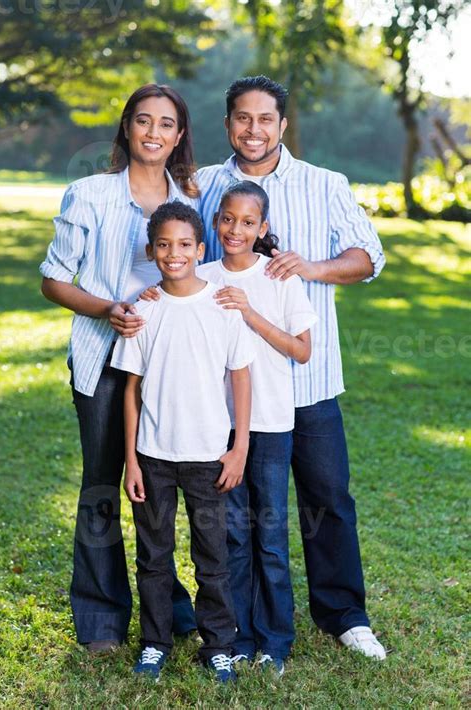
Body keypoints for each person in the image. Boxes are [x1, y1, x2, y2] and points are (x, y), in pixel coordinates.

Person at [196, 75, 387, 660]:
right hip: (233, 390)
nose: (253, 130)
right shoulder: (204, 185)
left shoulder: (324, 184)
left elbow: (367, 258)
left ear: (283, 126)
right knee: (242, 516)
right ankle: (240, 624)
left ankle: (344, 615)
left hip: (309, 376)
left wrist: (309, 267)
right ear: (228, 124)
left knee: (327, 496)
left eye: (265, 119)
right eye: (242, 118)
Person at [39, 84, 199, 651]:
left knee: (164, 489)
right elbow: (53, 280)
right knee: (105, 485)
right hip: (104, 360)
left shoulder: (194, 200)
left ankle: (174, 605)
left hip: (177, 368)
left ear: (179, 136)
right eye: (143, 121)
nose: (153, 133)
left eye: (166, 124)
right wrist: (109, 308)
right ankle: (102, 617)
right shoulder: (88, 195)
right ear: (127, 128)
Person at [111, 202, 254, 683]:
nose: (175, 254)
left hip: (207, 457)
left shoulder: (222, 307)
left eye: (185, 244)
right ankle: (155, 643)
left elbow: (241, 378)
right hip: (153, 457)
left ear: (200, 248)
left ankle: (219, 645)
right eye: (165, 245)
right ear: (152, 251)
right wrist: (130, 459)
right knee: (153, 556)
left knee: (212, 558)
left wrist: (240, 448)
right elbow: (131, 391)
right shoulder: (144, 308)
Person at [197, 180, 318, 676]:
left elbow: (302, 349)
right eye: (228, 219)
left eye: (248, 222)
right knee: (232, 535)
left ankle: (275, 640)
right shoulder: (200, 276)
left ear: (262, 227)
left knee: (268, 534)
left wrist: (249, 313)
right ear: (216, 220)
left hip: (269, 423)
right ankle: (238, 637)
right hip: (217, 427)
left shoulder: (279, 279)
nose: (236, 229)